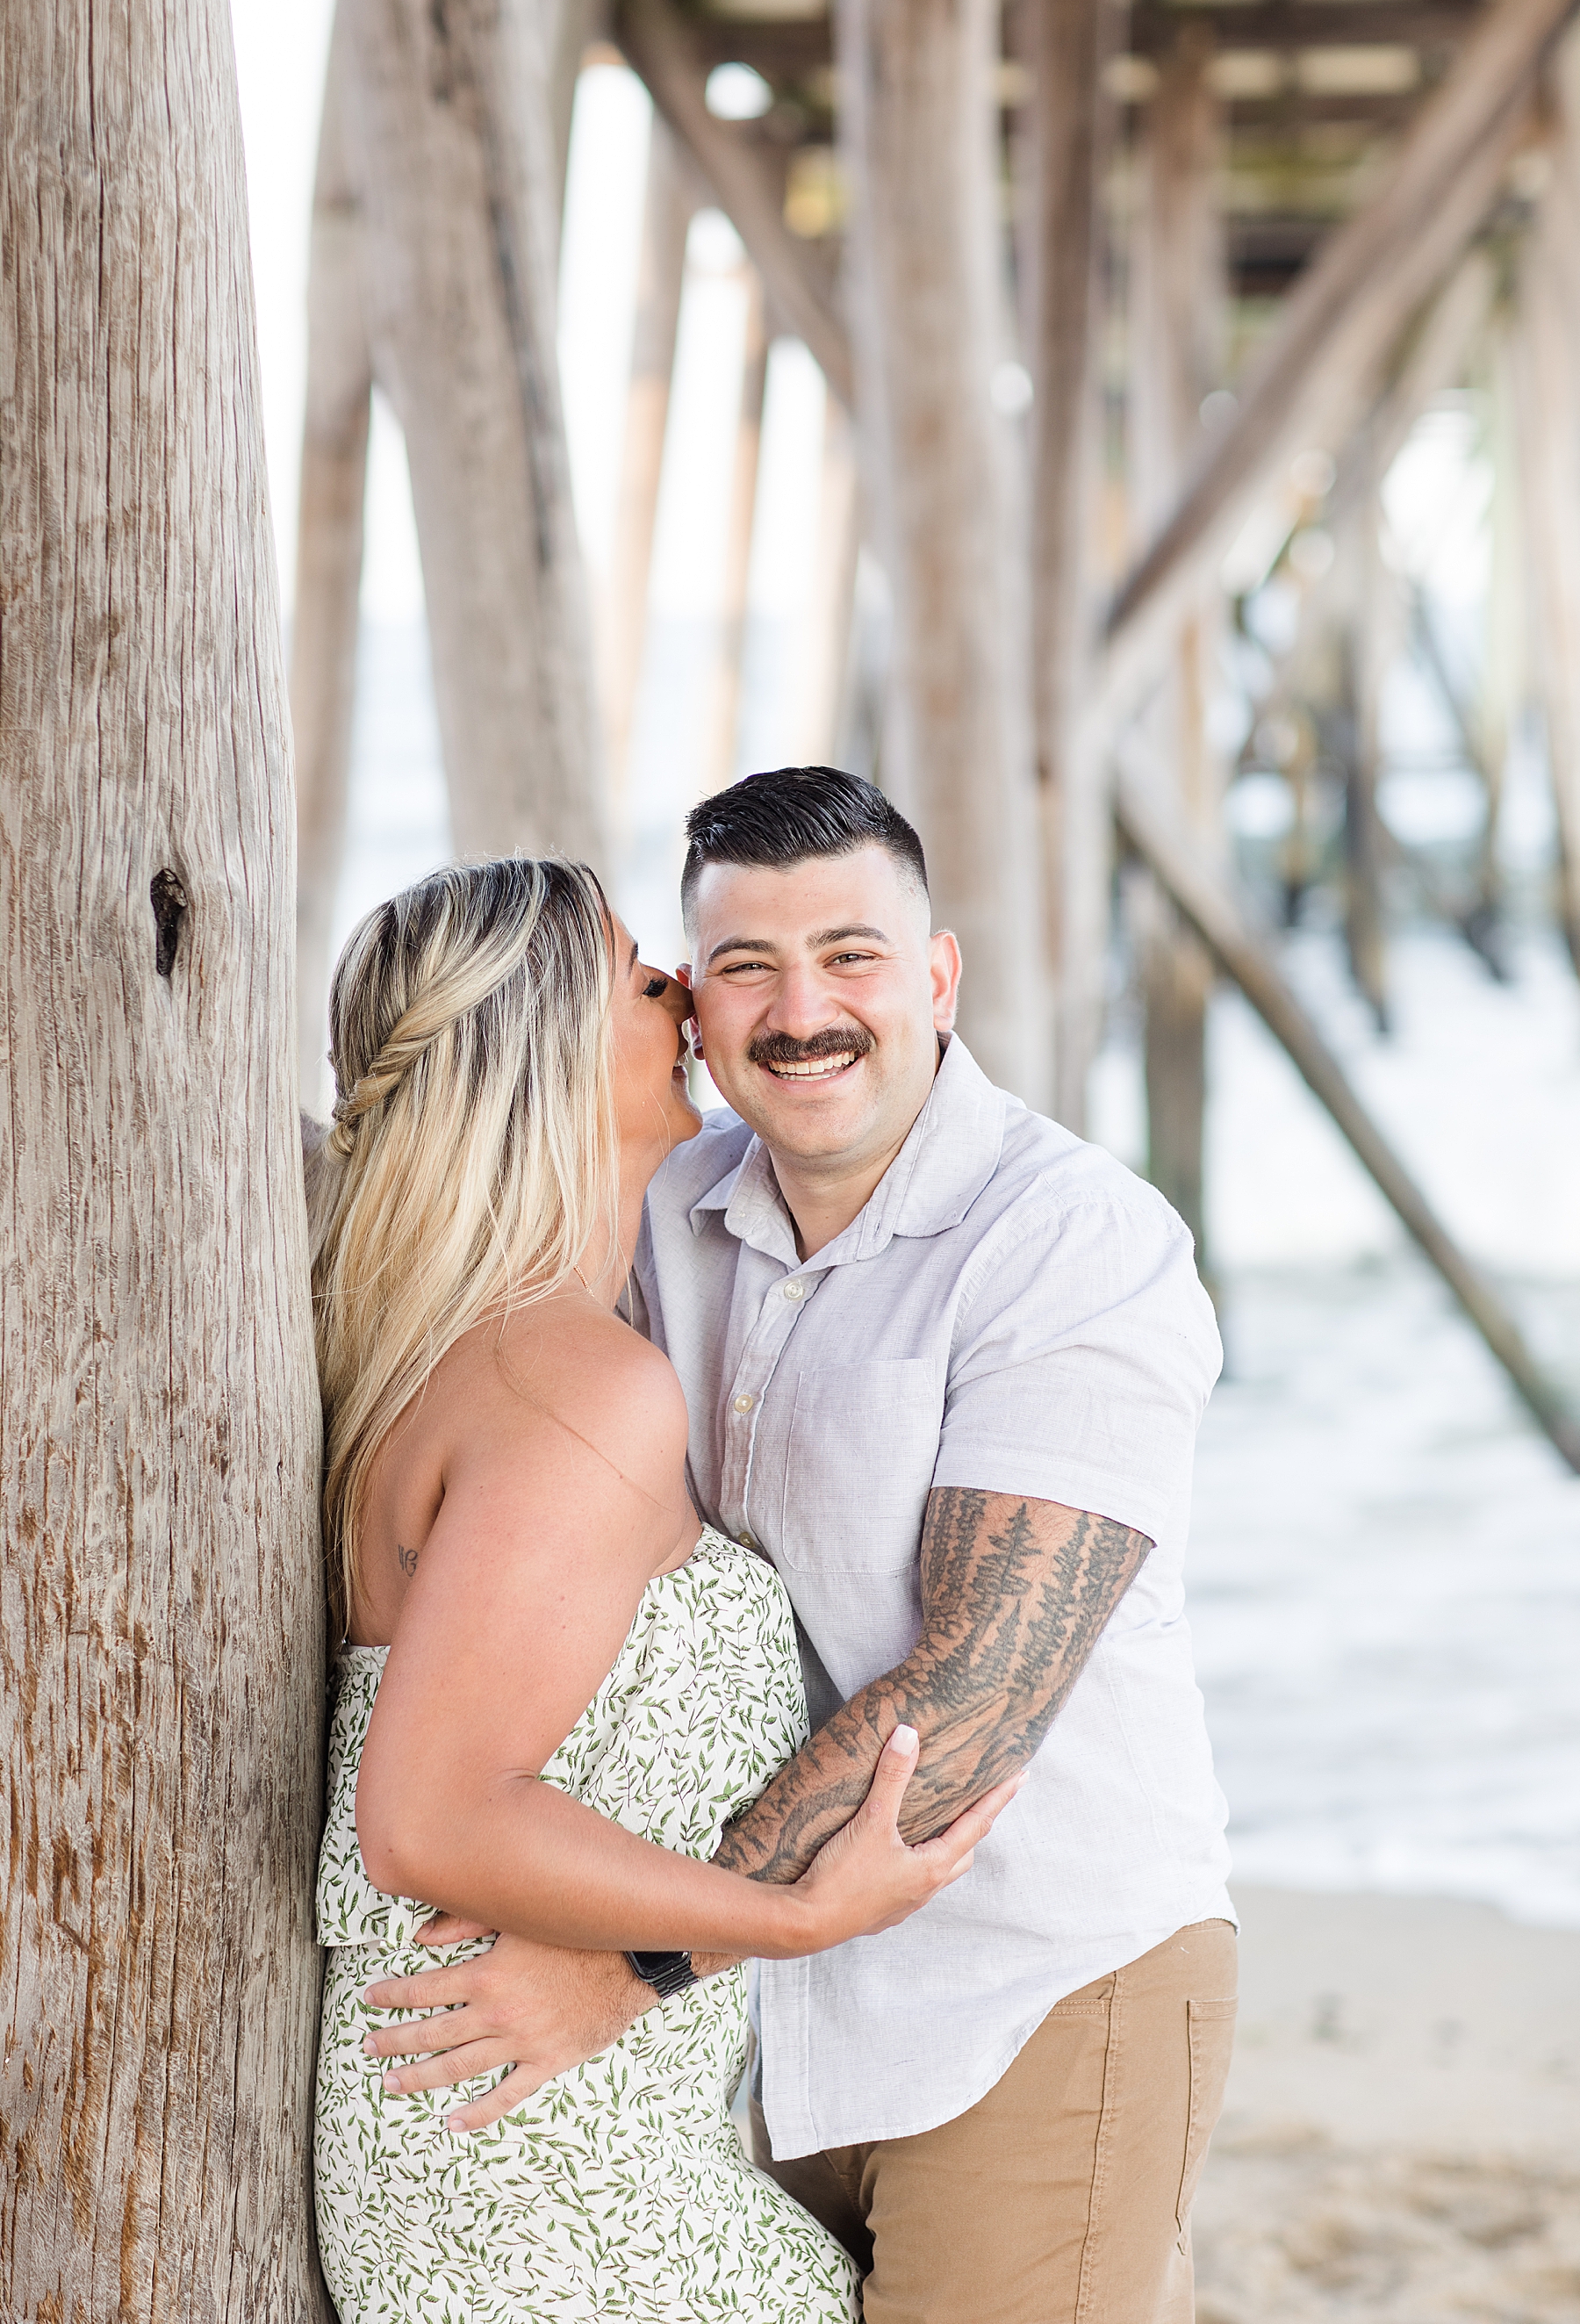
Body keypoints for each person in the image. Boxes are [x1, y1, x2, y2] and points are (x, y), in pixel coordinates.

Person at [365, 772, 1237, 2323]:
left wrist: (628, 1968)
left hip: (1022, 1986)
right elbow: (464, 1157)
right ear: (691, 1006)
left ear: (939, 976)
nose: (801, 1009)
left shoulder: (1071, 1244)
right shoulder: (657, 1205)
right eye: (744, 966)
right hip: (766, 2014)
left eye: (852, 955)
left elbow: (972, 1697)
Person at [306, 854, 1020, 2324]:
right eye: (645, 976)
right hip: (541, 2183)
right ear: (549, 1050)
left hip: (522, 2153)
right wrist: (797, 1919)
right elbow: (429, 1814)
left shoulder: (479, 1359)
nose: (687, 998)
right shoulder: (569, 1389)